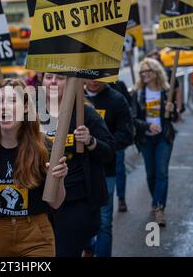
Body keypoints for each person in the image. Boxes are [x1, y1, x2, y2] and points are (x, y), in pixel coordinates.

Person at [0, 79, 68, 257]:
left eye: (12, 101)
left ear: (25, 107)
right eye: (0, 101)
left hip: (36, 235)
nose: (4, 107)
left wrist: (59, 179)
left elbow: (55, 202)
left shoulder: (44, 148)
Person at [41, 73, 115, 257]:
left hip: (76, 203)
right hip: (42, 203)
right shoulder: (32, 114)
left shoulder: (84, 113)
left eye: (59, 78)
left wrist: (90, 141)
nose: (52, 82)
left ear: (71, 83)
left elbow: (109, 151)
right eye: (48, 77)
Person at [85, 80, 133, 257]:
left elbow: (127, 134)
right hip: (79, 172)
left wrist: (102, 144)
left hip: (106, 170)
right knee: (82, 220)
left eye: (98, 76)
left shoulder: (117, 99)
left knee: (104, 222)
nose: (93, 80)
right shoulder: (72, 97)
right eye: (89, 75)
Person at [133, 58, 178, 226]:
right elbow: (133, 118)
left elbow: (174, 118)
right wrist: (147, 125)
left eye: (147, 71)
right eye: (141, 72)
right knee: (151, 174)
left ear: (156, 72)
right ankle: (156, 200)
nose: (144, 74)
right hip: (146, 139)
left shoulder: (166, 91)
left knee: (162, 173)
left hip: (164, 138)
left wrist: (172, 111)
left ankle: (159, 207)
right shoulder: (138, 94)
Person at [109, 80, 133, 212]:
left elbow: (128, 108)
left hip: (116, 141)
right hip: (94, 143)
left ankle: (121, 197)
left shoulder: (119, 86)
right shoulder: (84, 88)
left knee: (119, 168)